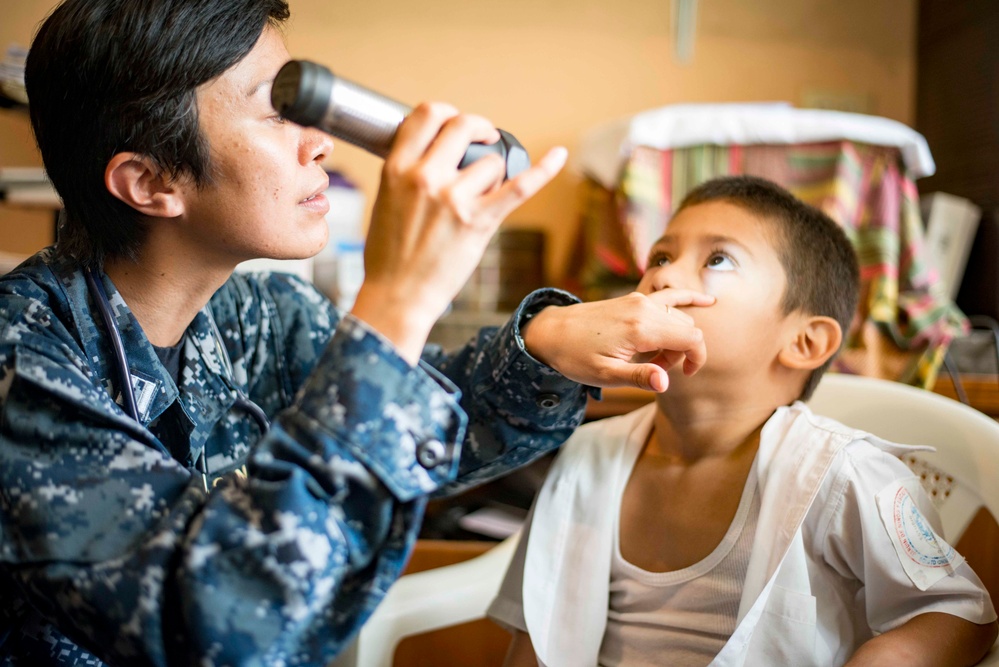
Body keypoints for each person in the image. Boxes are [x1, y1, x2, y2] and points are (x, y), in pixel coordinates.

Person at [0, 0, 716, 665]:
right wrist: (398, 294)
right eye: (277, 114)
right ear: (150, 181)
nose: (320, 143)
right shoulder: (20, 360)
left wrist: (548, 345)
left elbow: (423, 421)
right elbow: (219, 620)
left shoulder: (261, 317)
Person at [489, 175, 999, 667]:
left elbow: (956, 611)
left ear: (804, 342)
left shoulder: (842, 473)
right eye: (660, 257)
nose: (661, 278)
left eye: (717, 258)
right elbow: (536, 636)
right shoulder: (584, 454)